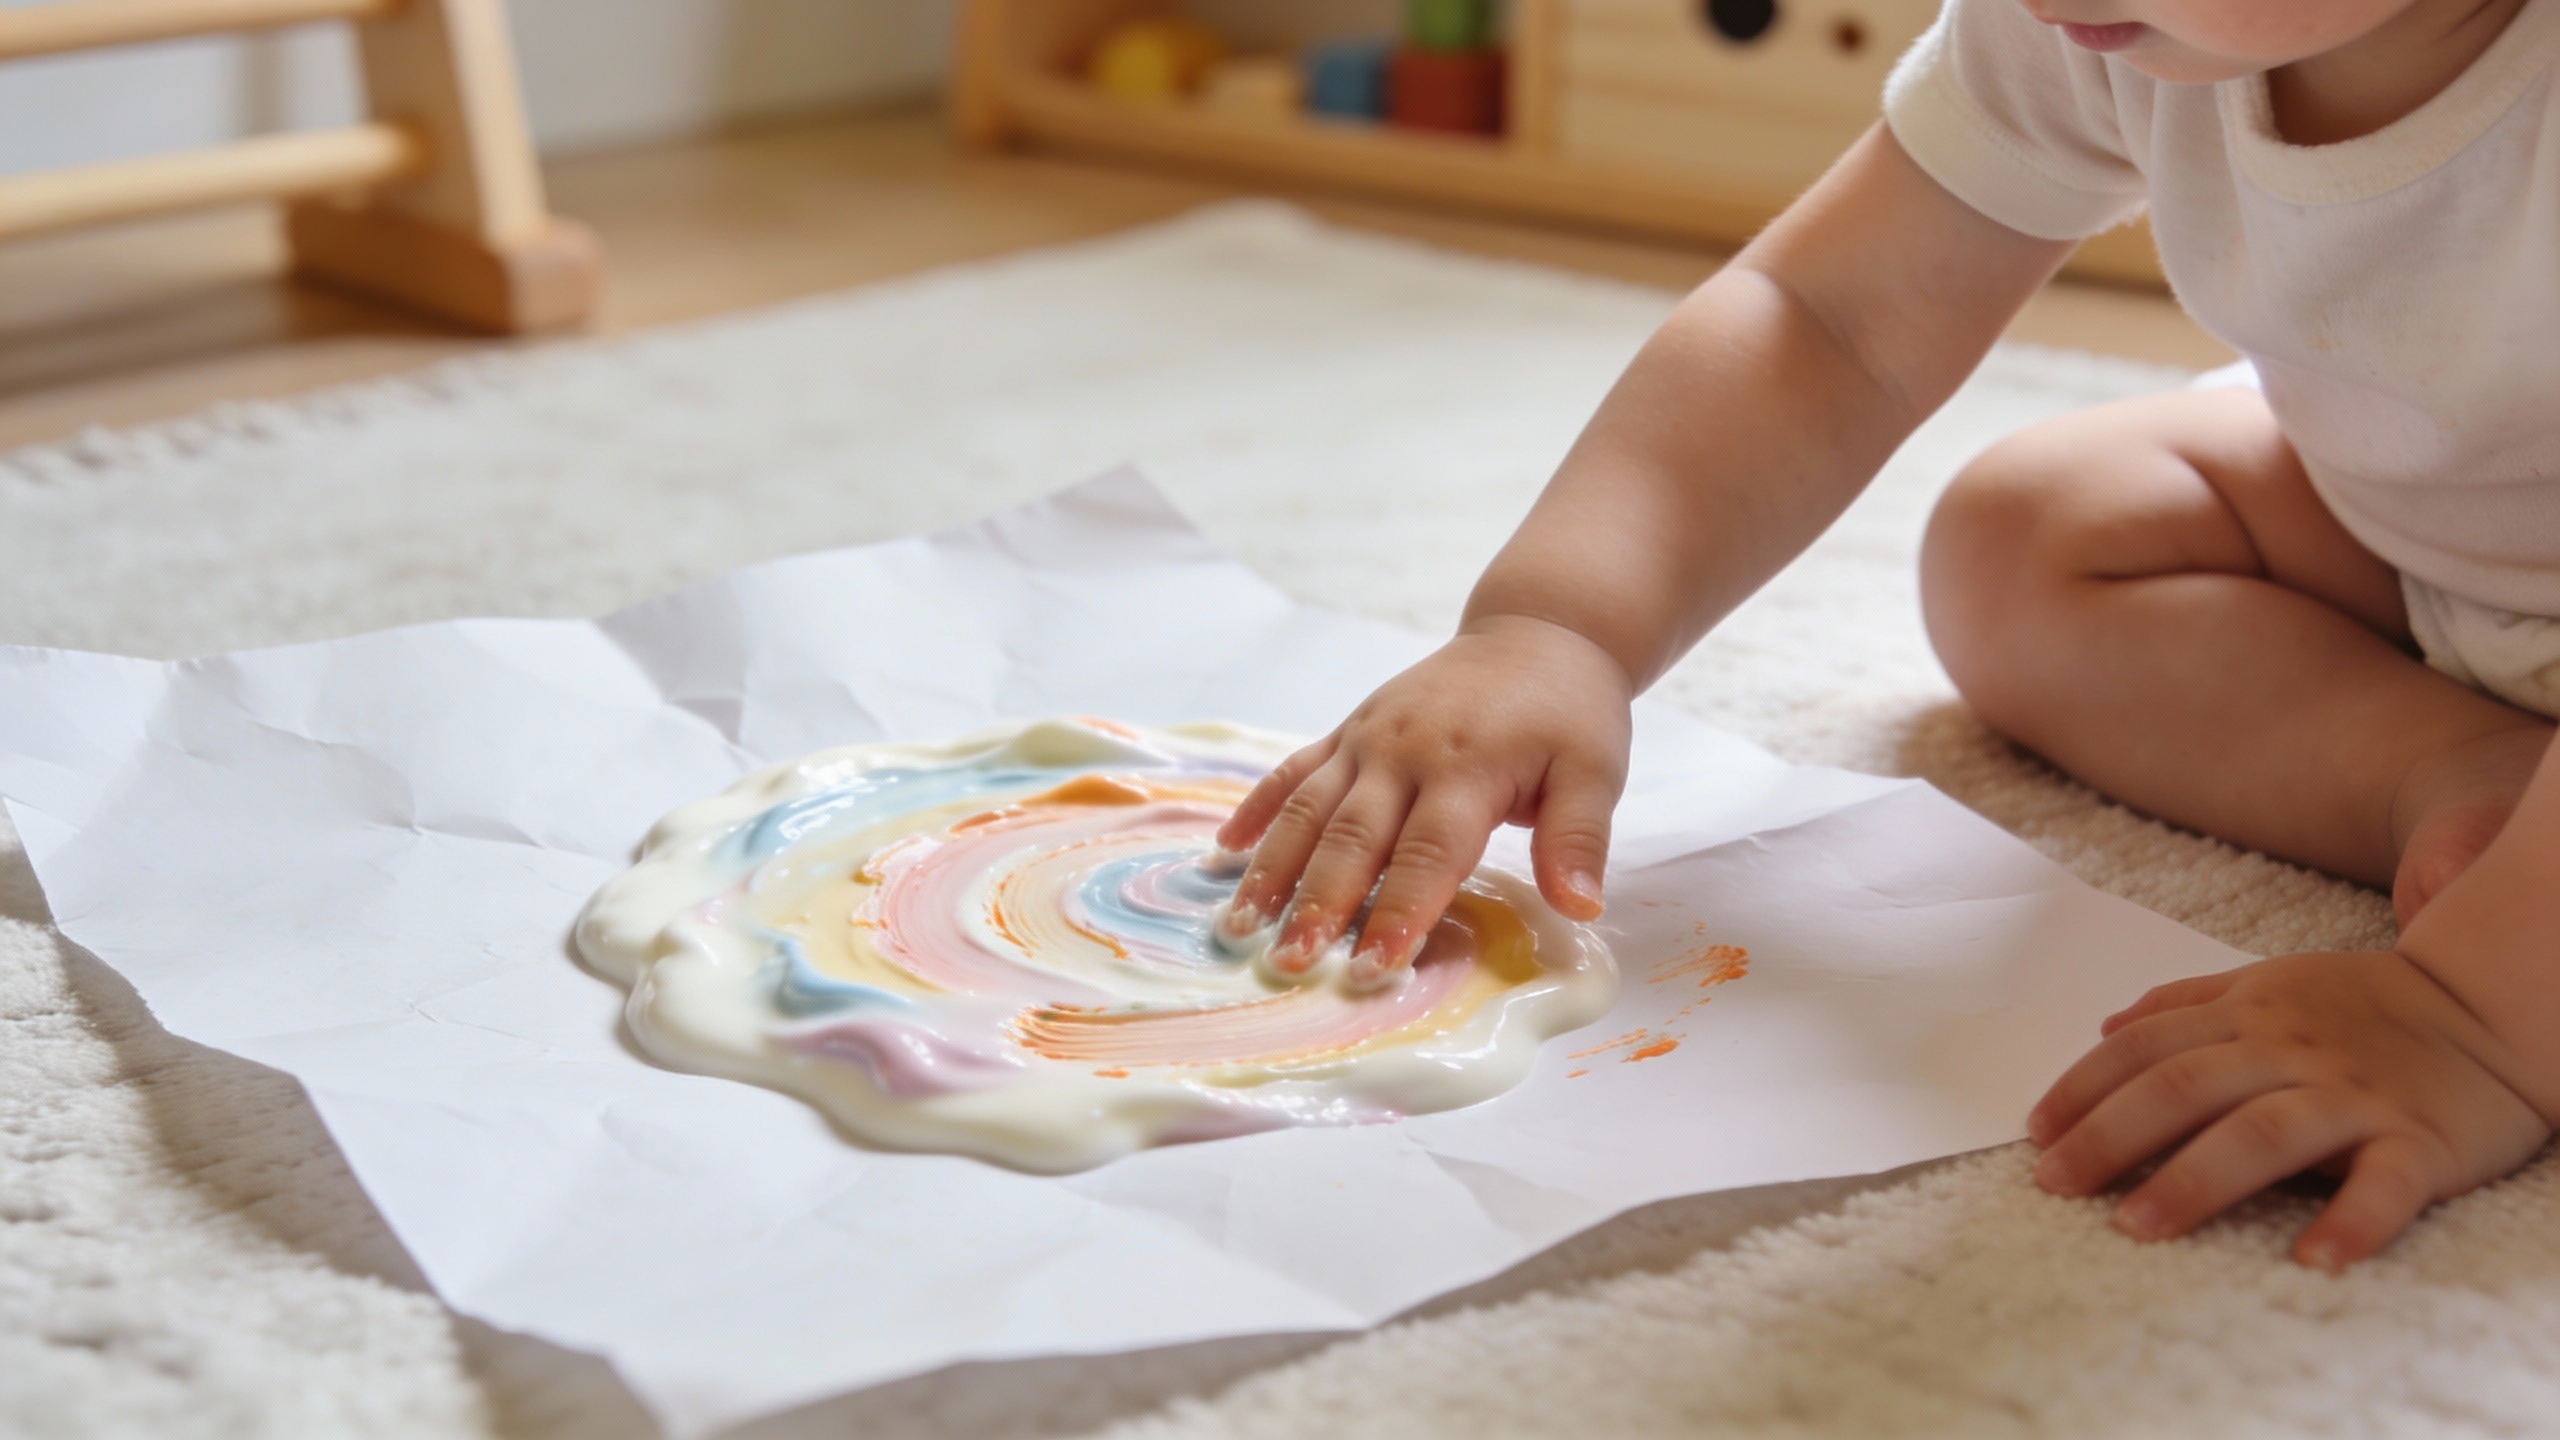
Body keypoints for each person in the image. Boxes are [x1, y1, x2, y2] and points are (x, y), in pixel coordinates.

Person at [1212, 0, 2560, 1270]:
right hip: (2443, 531)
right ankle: (2455, 772)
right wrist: (1557, 624)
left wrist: (2486, 1018)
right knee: (2029, 537)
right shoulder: (2085, 29)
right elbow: (1832, 321)